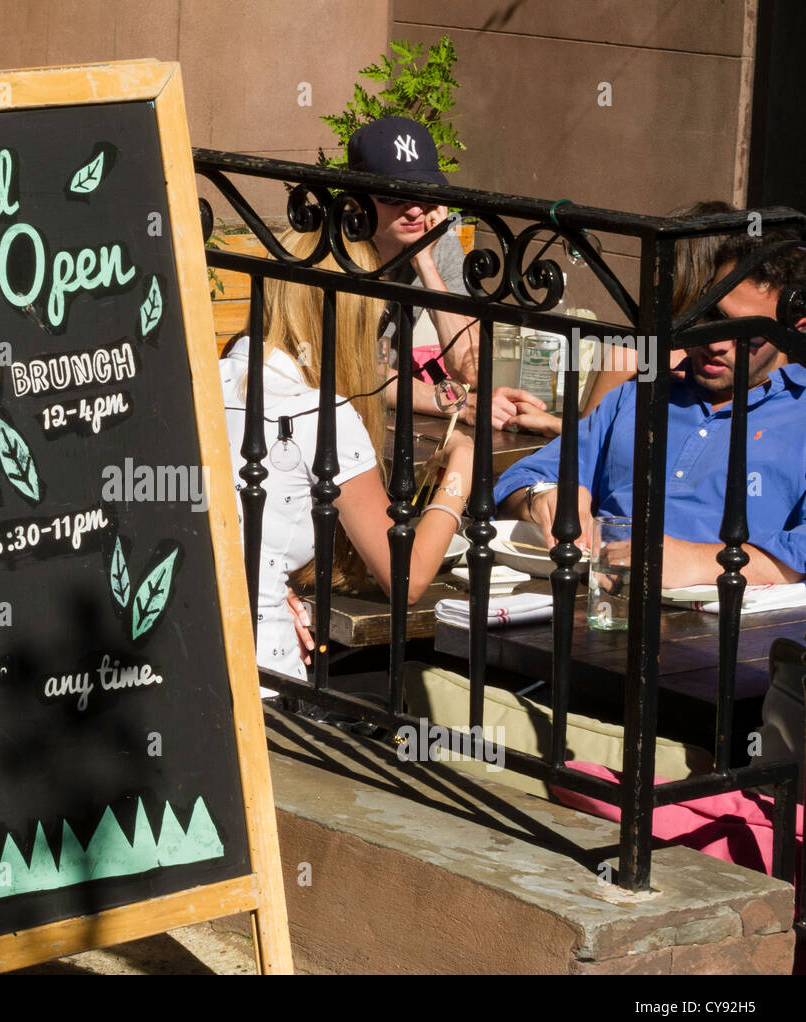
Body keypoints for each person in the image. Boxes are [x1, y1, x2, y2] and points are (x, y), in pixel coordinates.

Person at [221, 227, 474, 684]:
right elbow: (408, 579)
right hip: (264, 679)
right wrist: (461, 470)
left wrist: (266, 587)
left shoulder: (207, 375)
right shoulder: (322, 414)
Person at [494, 232, 806, 588]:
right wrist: (542, 498)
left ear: (793, 329)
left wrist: (699, 562)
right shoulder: (640, 394)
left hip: (717, 625)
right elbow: (515, 482)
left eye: (747, 332)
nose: (717, 342)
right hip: (590, 601)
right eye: (712, 315)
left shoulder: (799, 416)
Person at [346, 115, 542, 430]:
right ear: (357, 199)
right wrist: (457, 403)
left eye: (423, 194)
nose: (413, 210)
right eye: (393, 195)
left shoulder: (436, 238)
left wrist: (424, 260)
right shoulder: (334, 252)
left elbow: (472, 369)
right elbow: (354, 369)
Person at [504, 200, 736, 438]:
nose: (652, 272)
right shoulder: (757, 355)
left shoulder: (637, 354)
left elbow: (590, 440)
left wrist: (554, 425)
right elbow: (591, 435)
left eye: (659, 262)